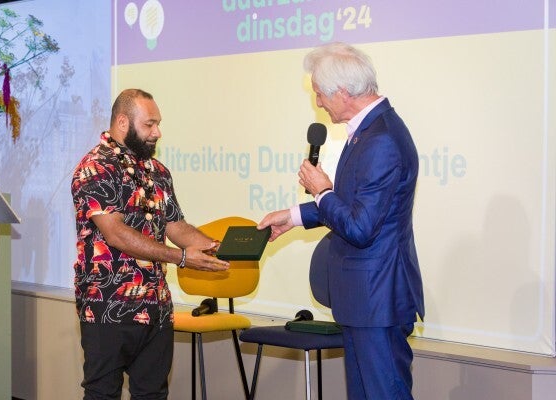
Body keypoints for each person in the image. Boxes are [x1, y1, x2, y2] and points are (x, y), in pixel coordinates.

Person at [258, 43, 424, 399]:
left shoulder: (381, 140)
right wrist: (293, 216)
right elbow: (351, 204)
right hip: (364, 300)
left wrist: (322, 191)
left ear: (343, 92)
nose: (318, 103)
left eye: (319, 94)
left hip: (376, 300)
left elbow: (360, 227)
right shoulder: (368, 132)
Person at [71, 88, 229, 400]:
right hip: (107, 306)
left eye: (158, 124)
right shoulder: (95, 168)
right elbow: (116, 234)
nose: (157, 132)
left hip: (156, 307)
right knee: (102, 394)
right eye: (149, 124)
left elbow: (176, 226)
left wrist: (220, 248)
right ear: (122, 122)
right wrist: (180, 257)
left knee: (153, 394)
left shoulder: (158, 172)